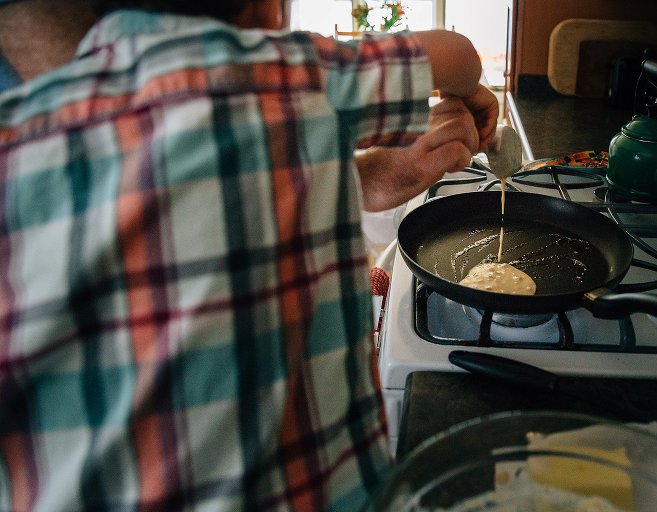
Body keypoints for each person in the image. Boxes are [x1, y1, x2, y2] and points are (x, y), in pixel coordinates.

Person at [0, 1, 498, 511]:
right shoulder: (290, 72)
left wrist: (368, 177)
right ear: (267, 10)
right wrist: (472, 94)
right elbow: (457, 55)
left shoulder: (14, 139)